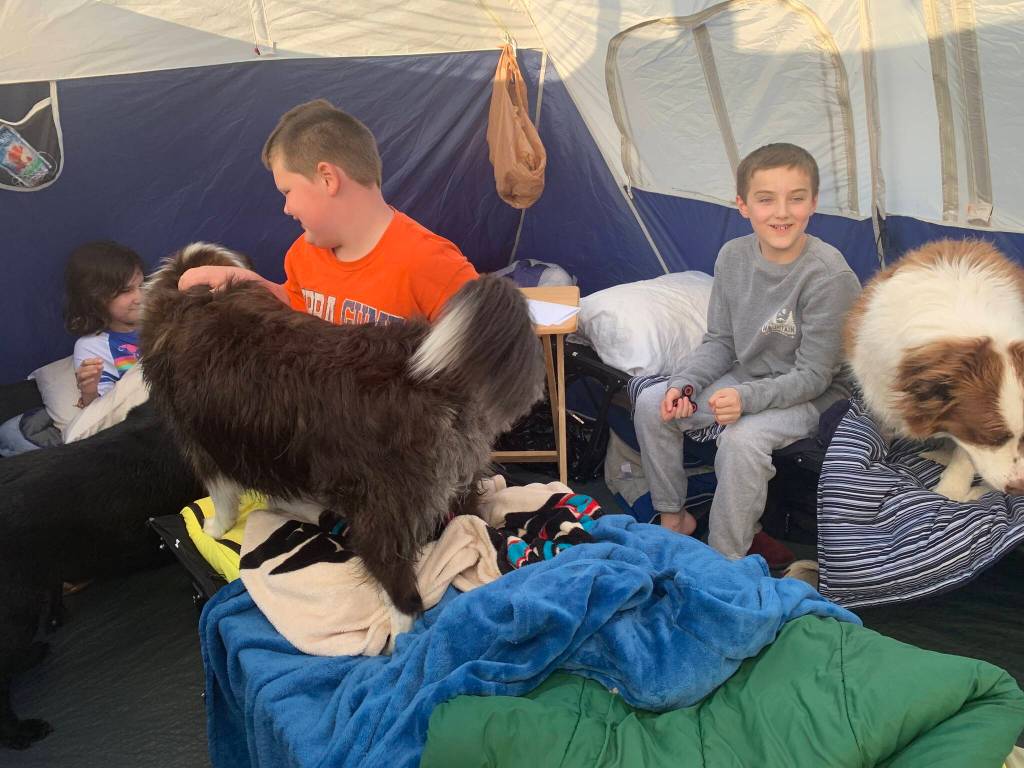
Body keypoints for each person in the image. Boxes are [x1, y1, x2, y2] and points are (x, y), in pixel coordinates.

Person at [633, 143, 861, 566]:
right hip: (751, 375)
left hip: (816, 396)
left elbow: (815, 376)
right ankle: (674, 519)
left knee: (742, 438)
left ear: (812, 202)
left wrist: (746, 401)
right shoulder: (732, 257)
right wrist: (685, 383)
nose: (782, 212)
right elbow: (720, 341)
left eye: (796, 198)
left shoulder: (829, 275)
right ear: (742, 205)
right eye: (765, 199)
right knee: (652, 403)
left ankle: (725, 559)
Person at [178, 99, 477, 324]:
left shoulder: (435, 266)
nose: (286, 208)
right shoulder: (301, 256)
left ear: (327, 179)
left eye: (287, 192)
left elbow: (490, 365)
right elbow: (297, 305)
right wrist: (251, 284)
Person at [0, 241, 143, 456]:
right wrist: (88, 390)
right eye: (126, 290)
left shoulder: (161, 317)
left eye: (142, 285)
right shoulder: (93, 346)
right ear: (98, 298)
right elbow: (104, 415)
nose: (139, 297)